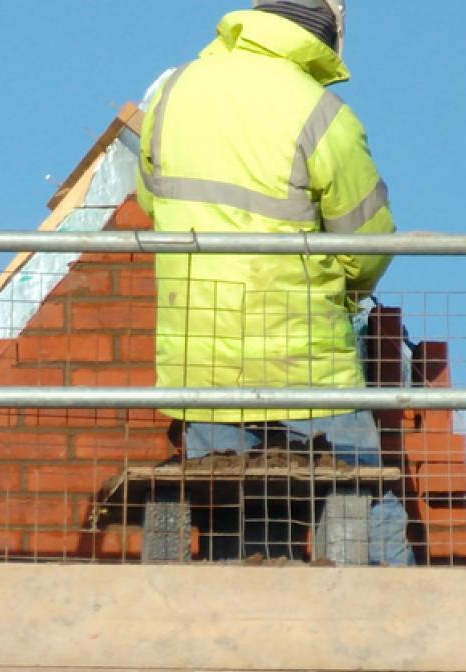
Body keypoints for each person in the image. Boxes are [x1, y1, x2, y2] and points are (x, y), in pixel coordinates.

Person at [135, 0, 412, 565]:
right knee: (366, 509)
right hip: (308, 362)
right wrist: (346, 291)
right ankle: (396, 642)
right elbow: (370, 240)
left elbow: (151, 205)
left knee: (234, 529)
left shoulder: (172, 95)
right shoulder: (320, 111)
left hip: (201, 368)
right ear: (326, 35)